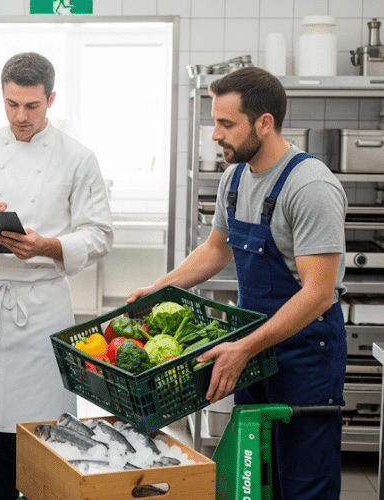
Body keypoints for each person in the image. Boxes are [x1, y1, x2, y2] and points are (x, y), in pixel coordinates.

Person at [129, 66, 347, 499]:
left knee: (303, 482)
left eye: (226, 124)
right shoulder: (235, 177)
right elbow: (216, 249)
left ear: (264, 123)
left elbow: (318, 292)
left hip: (305, 357)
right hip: (252, 350)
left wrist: (245, 346)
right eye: (216, 121)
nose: (215, 134)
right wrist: (162, 288)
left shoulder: (310, 187)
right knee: (256, 476)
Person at [0, 52, 113, 500]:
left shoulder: (78, 157)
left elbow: (99, 234)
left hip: (42, 306)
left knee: (44, 432)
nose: (21, 116)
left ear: (50, 99)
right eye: (12, 104)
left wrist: (48, 246)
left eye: (31, 106)